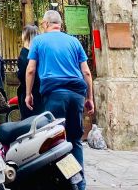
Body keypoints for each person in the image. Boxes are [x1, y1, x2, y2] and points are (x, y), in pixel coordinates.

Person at [25, 10, 94, 190]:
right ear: (60, 25)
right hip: (77, 94)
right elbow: (86, 72)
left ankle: (64, 183)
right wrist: (90, 98)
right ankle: (79, 183)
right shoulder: (74, 41)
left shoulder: (38, 41)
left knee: (56, 139)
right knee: (75, 139)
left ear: (46, 24)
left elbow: (31, 69)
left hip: (55, 94)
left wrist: (28, 93)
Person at [17, 24, 42, 119]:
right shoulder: (41, 52)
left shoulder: (25, 53)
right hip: (41, 90)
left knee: (29, 121)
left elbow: (24, 73)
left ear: (25, 35)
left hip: (29, 91)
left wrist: (28, 93)